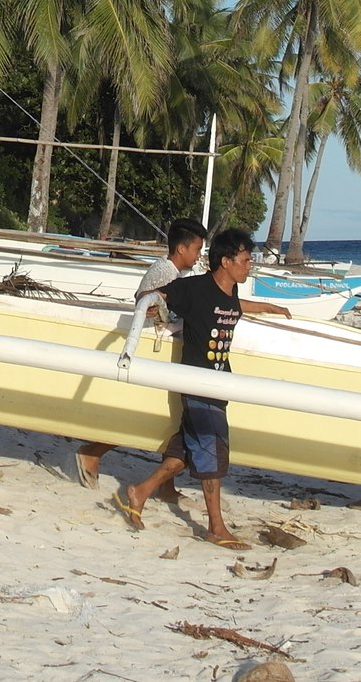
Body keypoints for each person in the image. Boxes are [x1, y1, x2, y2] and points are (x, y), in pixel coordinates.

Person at [111, 228, 291, 549]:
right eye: (246, 260)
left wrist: (269, 308)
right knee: (212, 451)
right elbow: (152, 294)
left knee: (184, 454)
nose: (250, 266)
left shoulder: (229, 291)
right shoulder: (195, 287)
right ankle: (216, 527)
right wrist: (149, 306)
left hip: (219, 382)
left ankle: (139, 492)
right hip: (198, 383)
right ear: (226, 261)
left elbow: (234, 307)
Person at [76, 218, 208, 488]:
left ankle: (166, 487)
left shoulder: (174, 273)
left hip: (161, 351)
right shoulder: (165, 271)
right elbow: (144, 297)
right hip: (152, 351)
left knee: (169, 419)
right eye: (197, 249)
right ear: (182, 249)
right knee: (146, 415)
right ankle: (92, 452)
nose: (198, 256)